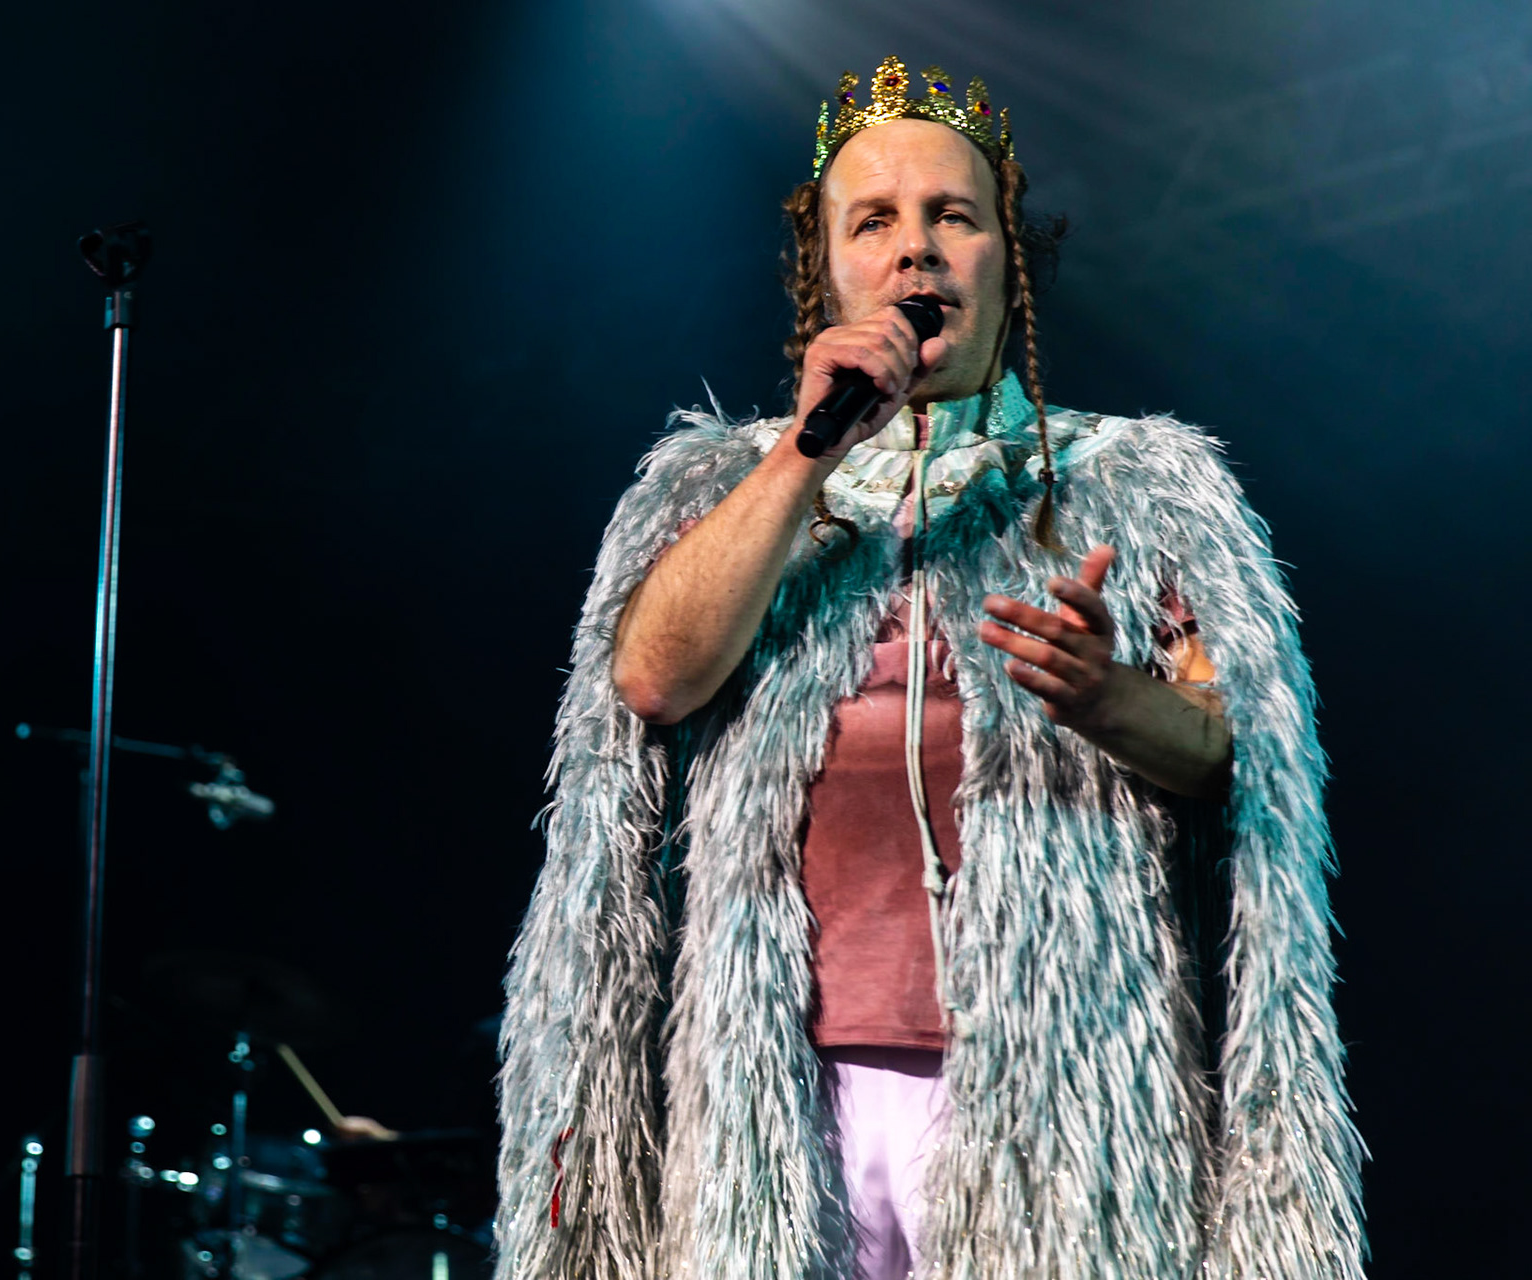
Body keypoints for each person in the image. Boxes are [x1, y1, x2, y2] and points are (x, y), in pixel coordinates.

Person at [494, 55, 1365, 1280]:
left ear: (1009, 257)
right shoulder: (722, 485)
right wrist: (812, 449)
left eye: (953, 217)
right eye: (877, 222)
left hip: (1059, 1078)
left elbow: (1241, 749)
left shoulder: (1139, 482)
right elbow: (654, 677)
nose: (917, 252)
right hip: (783, 1087)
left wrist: (1111, 699)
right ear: (827, 269)